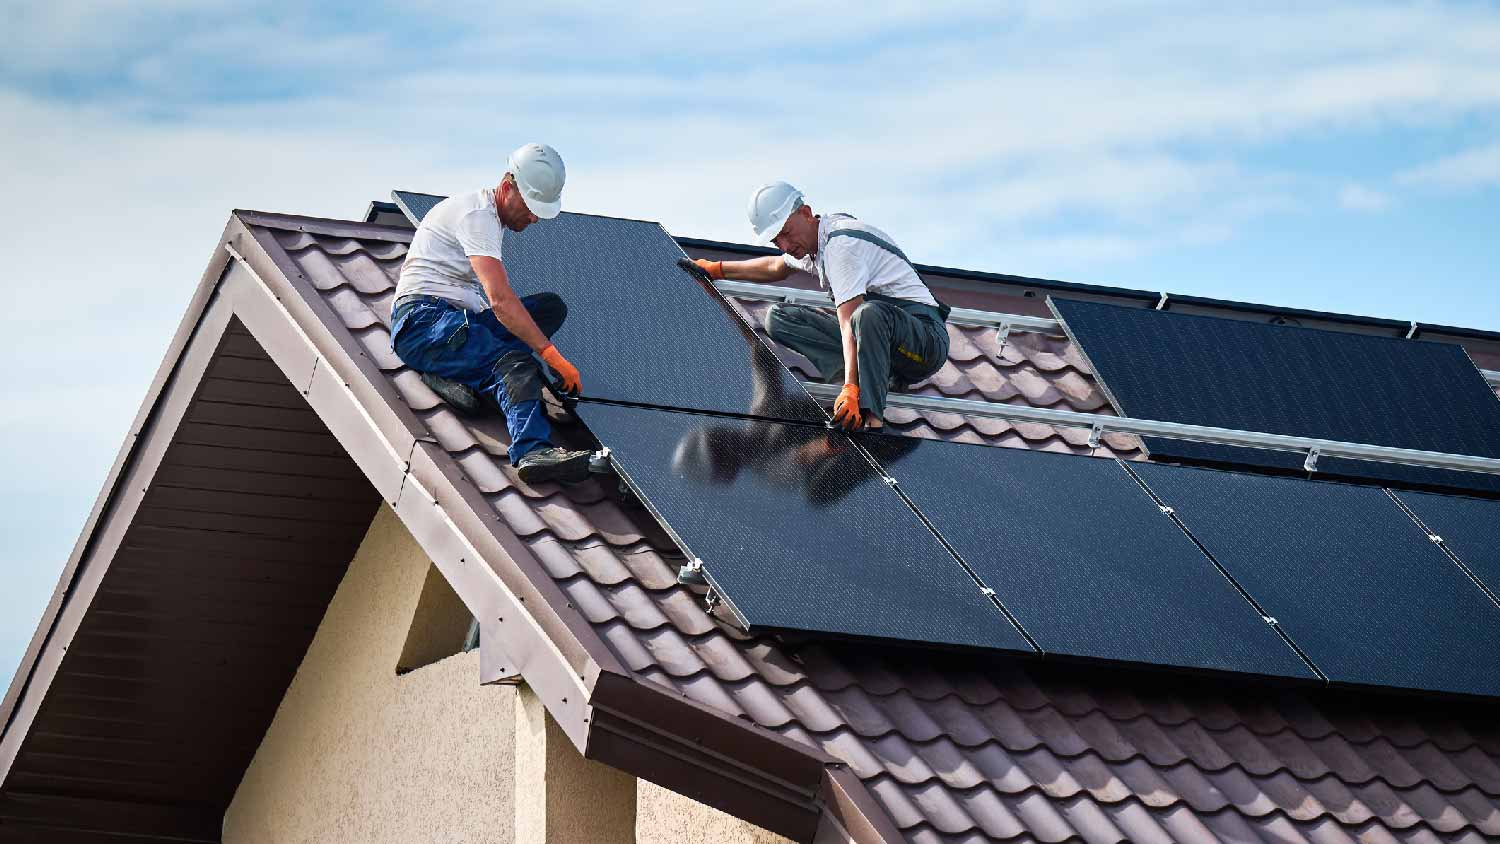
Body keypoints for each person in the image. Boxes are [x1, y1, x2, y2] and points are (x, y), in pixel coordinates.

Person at [389, 143, 593, 484]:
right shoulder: (477, 216)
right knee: (514, 364)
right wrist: (552, 357)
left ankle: (454, 375)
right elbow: (499, 301)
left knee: (548, 307)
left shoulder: (488, 218)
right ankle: (531, 450)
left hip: (450, 323)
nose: (532, 218)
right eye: (530, 207)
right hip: (424, 326)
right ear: (508, 184)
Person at [691, 182, 950, 430]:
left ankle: (871, 417)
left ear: (805, 213)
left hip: (923, 343)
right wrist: (719, 269)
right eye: (775, 241)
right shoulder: (816, 244)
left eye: (786, 233)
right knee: (779, 318)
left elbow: (849, 322)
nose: (785, 245)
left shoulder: (841, 245)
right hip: (880, 339)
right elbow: (776, 267)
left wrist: (850, 388)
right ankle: (868, 375)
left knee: (867, 314)